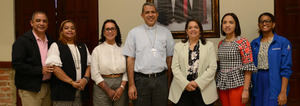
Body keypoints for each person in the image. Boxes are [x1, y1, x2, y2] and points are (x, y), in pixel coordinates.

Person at [122, 2, 175, 106]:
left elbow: (170, 59)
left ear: (157, 14)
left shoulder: (166, 33)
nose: (150, 15)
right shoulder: (134, 33)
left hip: (161, 80)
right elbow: (130, 60)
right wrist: (131, 85)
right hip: (141, 81)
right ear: (142, 15)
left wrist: (168, 83)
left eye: (153, 12)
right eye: (147, 12)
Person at [168, 19, 218, 106]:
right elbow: (175, 68)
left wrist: (197, 83)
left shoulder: (209, 46)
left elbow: (212, 67)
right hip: (182, 88)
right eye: (190, 27)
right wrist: (185, 84)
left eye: (196, 27)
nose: (193, 29)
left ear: (200, 31)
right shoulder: (178, 46)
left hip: (204, 89)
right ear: (186, 31)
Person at [250, 12, 293, 106]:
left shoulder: (283, 42)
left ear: (273, 24)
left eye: (267, 21)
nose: (264, 23)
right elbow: (250, 66)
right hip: (258, 81)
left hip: (275, 81)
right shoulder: (254, 44)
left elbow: (286, 69)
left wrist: (283, 92)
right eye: (261, 22)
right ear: (259, 25)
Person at [12, 11, 53, 106]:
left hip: (48, 87)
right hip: (30, 89)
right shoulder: (22, 41)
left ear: (47, 24)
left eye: (44, 21)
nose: (41, 23)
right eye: (38, 20)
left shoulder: (51, 41)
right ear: (31, 23)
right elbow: (17, 65)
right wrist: (40, 70)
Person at [45, 20, 91, 106]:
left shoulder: (82, 46)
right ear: (61, 31)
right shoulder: (56, 46)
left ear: (75, 31)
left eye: (72, 28)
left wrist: (85, 79)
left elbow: (89, 65)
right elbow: (55, 68)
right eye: (66, 28)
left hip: (80, 91)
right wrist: (71, 82)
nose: (70, 30)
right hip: (63, 93)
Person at [216, 13, 256, 106]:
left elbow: (248, 68)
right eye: (224, 22)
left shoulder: (243, 42)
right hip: (223, 84)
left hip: (238, 84)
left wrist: (246, 90)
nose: (227, 25)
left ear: (236, 25)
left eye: (231, 22)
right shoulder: (220, 43)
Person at [91, 19, 128, 106]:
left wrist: (122, 87)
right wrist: (108, 90)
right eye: (107, 29)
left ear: (116, 31)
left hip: (121, 85)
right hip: (102, 85)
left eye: (112, 29)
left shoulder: (124, 49)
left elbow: (127, 70)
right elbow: (94, 73)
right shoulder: (97, 50)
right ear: (103, 32)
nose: (110, 31)